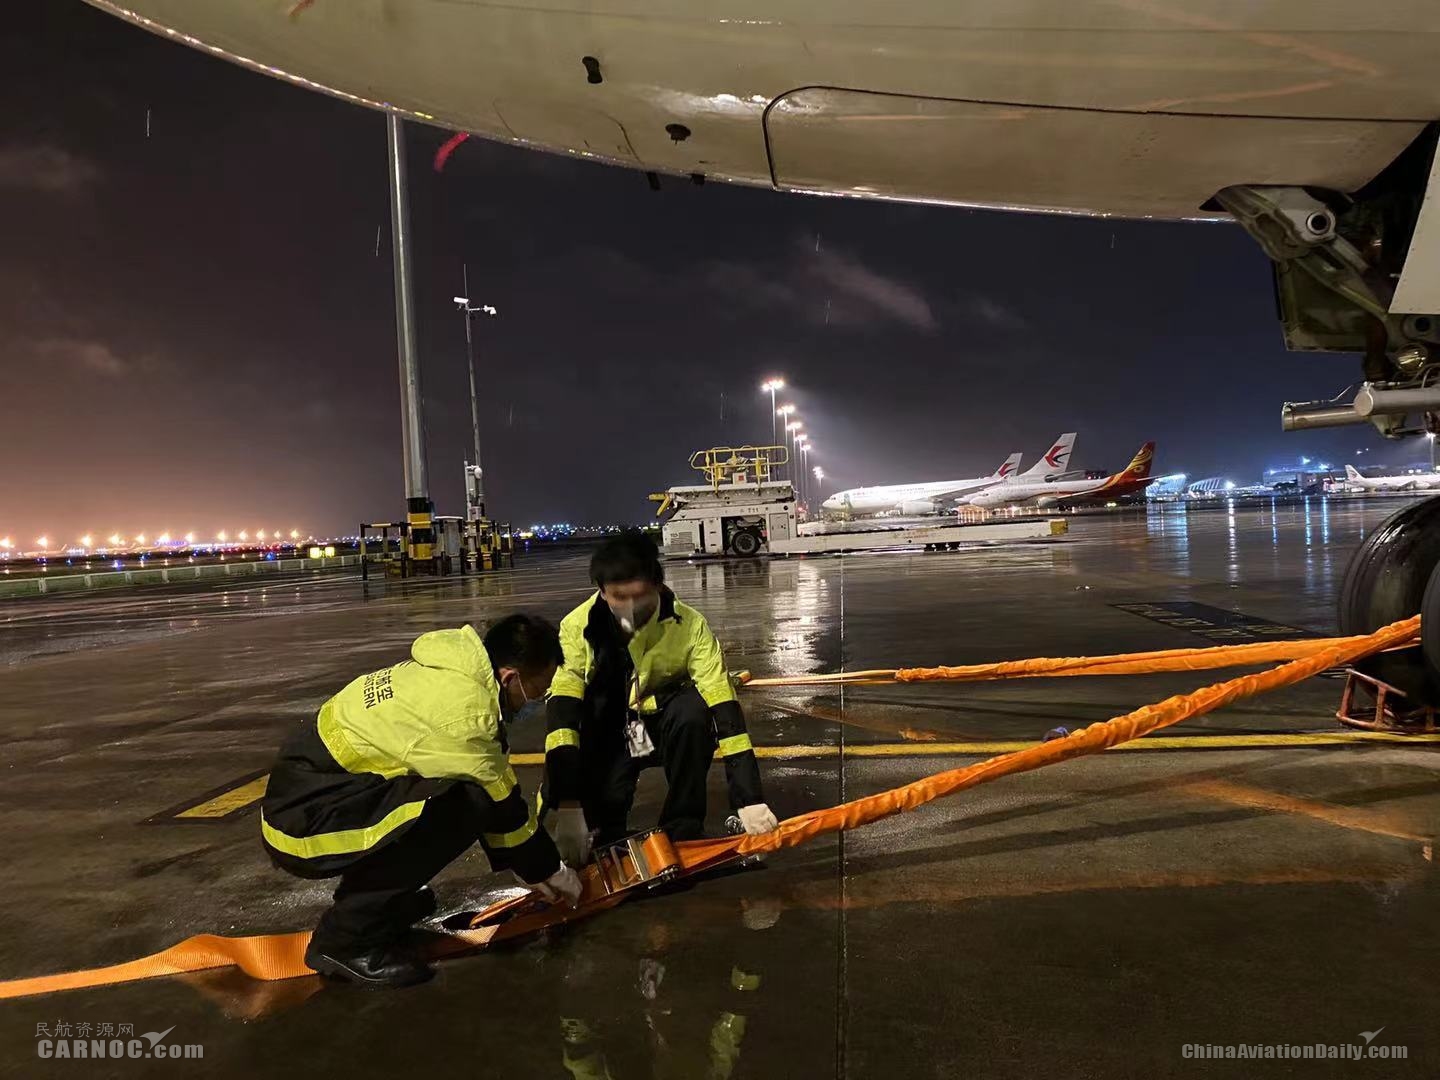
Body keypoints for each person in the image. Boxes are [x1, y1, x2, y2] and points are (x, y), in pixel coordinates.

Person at [261, 613, 582, 988]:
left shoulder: (450, 670)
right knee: (463, 807)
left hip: (320, 796)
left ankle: (378, 910)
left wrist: (529, 864)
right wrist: (548, 870)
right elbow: (501, 802)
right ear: (509, 676)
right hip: (305, 822)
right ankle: (346, 939)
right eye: (536, 692)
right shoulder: (465, 714)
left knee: (456, 796)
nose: (534, 704)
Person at [544, 531, 778, 864]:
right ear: (600, 591)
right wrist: (568, 806)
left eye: (638, 596)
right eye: (617, 597)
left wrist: (749, 796)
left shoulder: (691, 625)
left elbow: (725, 708)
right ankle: (603, 825)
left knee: (694, 710)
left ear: (657, 583)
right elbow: (562, 715)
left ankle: (682, 826)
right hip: (613, 730)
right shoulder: (576, 627)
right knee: (589, 724)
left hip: (665, 726)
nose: (629, 609)